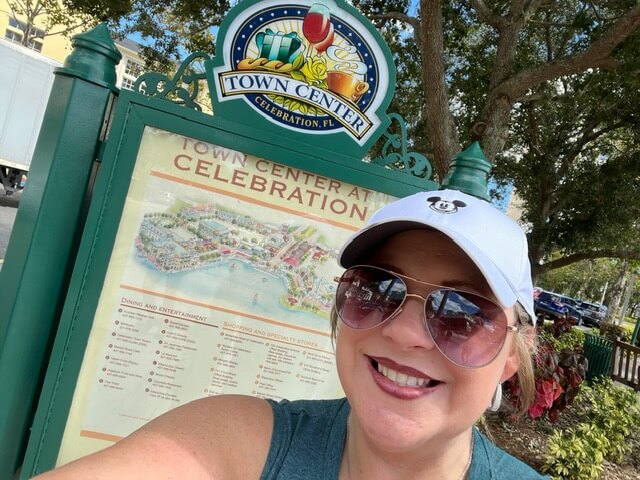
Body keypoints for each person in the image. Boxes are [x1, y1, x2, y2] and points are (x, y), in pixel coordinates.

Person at [36, 188, 546, 479]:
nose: (406, 332)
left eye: (463, 311)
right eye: (378, 286)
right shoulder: (241, 441)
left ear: (509, 358)